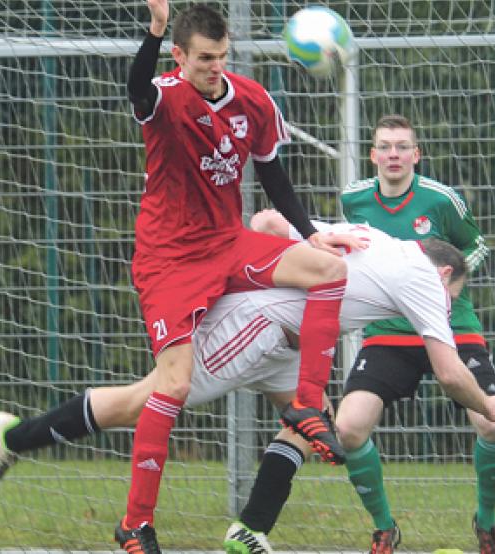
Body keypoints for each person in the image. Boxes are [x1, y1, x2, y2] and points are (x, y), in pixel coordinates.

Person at [0, 220, 495, 553]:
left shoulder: (376, 240)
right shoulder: (426, 277)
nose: (447, 307)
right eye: (453, 297)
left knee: (312, 420)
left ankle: (251, 531)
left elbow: (266, 219)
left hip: (285, 343)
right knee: (141, 404)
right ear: (446, 276)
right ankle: (13, 439)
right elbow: (449, 372)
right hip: (255, 329)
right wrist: (489, 403)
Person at [114, 0, 365, 551]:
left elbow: (274, 174)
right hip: (169, 259)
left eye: (222, 56)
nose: (215, 67)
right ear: (180, 56)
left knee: (328, 268)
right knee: (174, 385)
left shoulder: (251, 99)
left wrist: (307, 233)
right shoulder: (165, 97)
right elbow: (136, 86)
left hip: (227, 243)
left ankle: (305, 404)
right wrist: (154, 29)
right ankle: (136, 523)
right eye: (204, 58)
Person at [335, 114, 495, 553]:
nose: (394, 154)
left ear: (417, 155)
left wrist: (450, 286)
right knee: (349, 427)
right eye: (386, 147)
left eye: (403, 146)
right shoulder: (353, 200)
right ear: (373, 154)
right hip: (390, 332)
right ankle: (384, 528)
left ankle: (486, 524)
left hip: (450, 327)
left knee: (492, 425)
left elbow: (478, 244)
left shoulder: (440, 199)